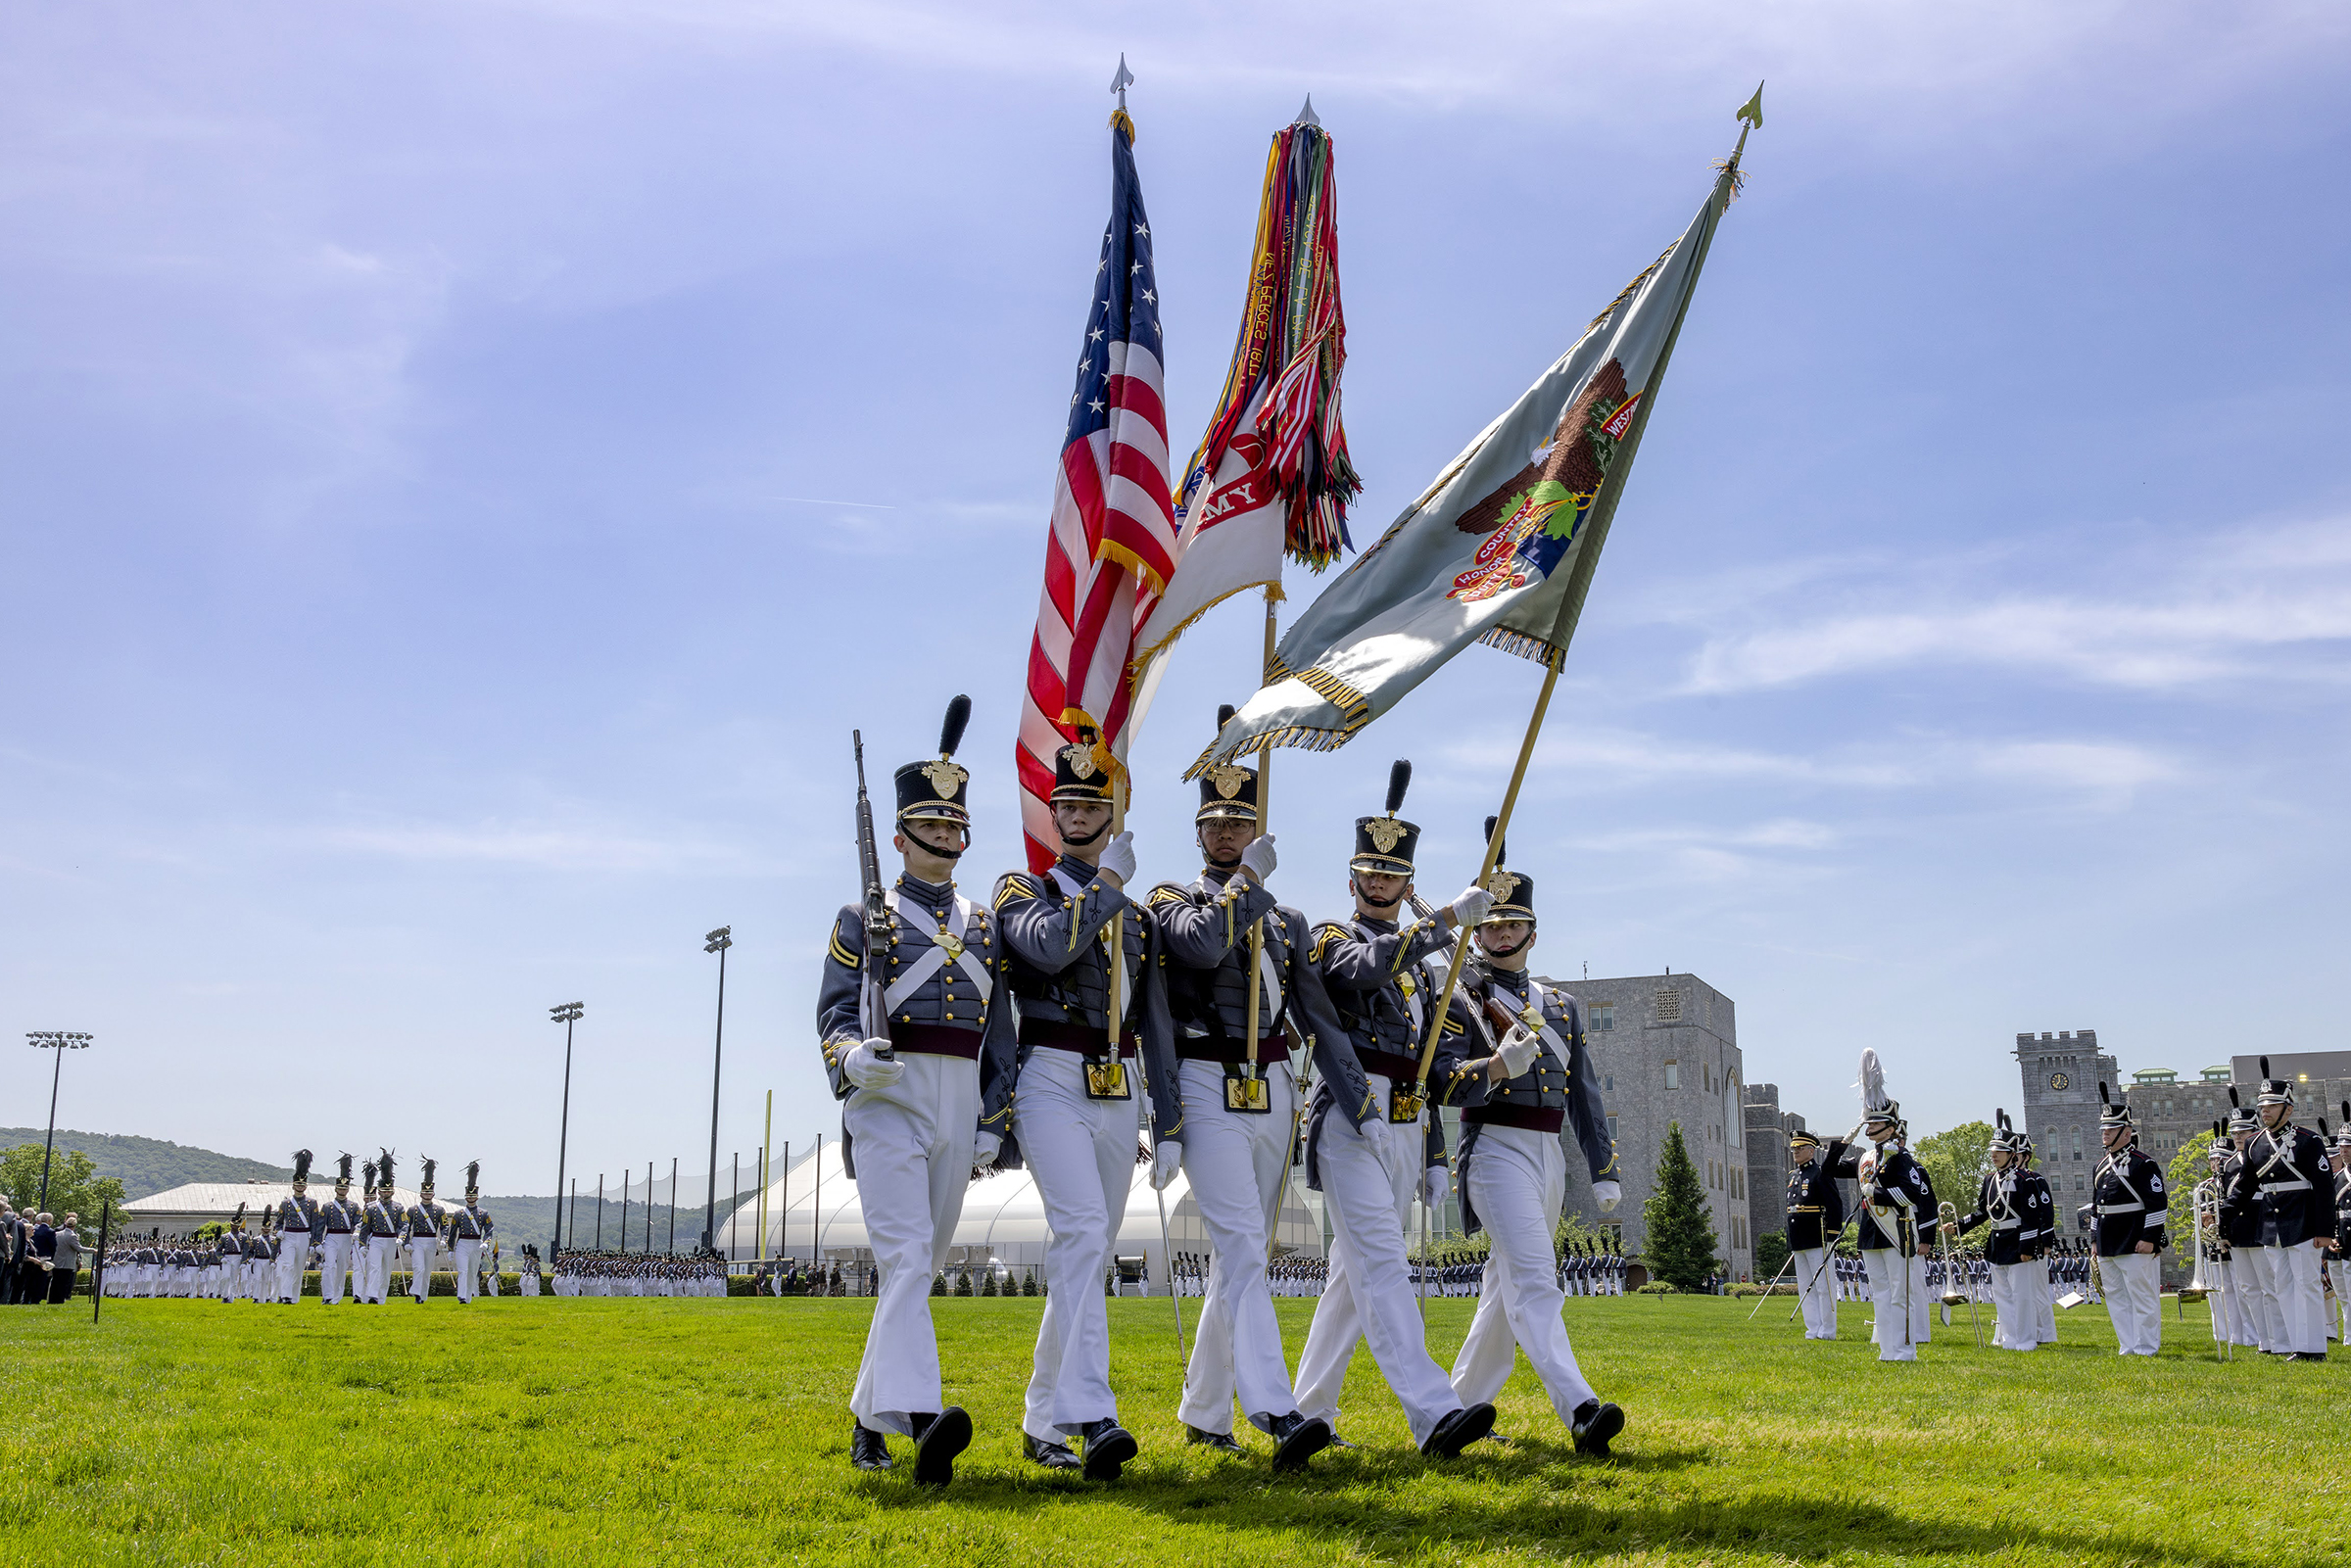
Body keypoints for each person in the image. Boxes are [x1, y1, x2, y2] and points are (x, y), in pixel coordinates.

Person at [817, 696, 1015, 1487]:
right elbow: (834, 1011)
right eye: (927, 826)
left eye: (951, 826)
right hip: (889, 1096)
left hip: (960, 1095)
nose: (942, 837)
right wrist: (848, 1061)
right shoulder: (861, 915)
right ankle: (929, 1419)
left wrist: (995, 1116)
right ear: (898, 835)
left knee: (916, 1269)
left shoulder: (984, 922)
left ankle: (869, 1423)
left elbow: (1001, 1028)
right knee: (904, 1257)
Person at [1145, 708, 1344, 1470]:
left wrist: (1354, 1098)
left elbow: (1314, 1014)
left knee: (1242, 1254)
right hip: (1204, 1080)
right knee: (1238, 1244)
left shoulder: (1287, 919)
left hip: (1274, 1086)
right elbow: (1199, 945)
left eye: (1239, 820)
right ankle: (1274, 1405)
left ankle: (1202, 1407)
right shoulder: (1173, 898)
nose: (1226, 833)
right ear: (1198, 831)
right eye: (1215, 821)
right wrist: (1248, 885)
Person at [1293, 761, 1498, 1458]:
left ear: (1406, 882)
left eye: (1392, 875)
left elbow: (1423, 1063)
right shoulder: (1330, 936)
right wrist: (1441, 921)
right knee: (1382, 1264)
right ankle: (1433, 1410)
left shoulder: (1423, 969)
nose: (1379, 884)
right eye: (1369, 873)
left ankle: (1305, 1408)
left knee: (1351, 1280)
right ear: (1353, 880)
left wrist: (1434, 1150)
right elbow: (1363, 970)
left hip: (1406, 1120)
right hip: (1350, 1116)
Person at [994, 721, 1174, 1482]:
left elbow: (1154, 1020)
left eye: (1088, 805)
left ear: (1113, 813)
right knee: (1080, 1228)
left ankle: (1041, 1419)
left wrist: (1168, 1118)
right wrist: (1105, 887)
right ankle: (1094, 1412)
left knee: (1088, 1249)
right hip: (1048, 1076)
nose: (1075, 815)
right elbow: (1046, 949)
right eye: (1064, 804)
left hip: (1116, 1081)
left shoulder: (1135, 915)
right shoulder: (1023, 890)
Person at [1433, 823, 1624, 1456]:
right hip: (1492, 1148)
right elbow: (1448, 1085)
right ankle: (1579, 1406)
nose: (1500, 935)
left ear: (1533, 931)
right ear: (1477, 930)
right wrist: (1495, 1067)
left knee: (1502, 1287)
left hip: (1548, 1155)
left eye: (1512, 925)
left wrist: (1603, 1167)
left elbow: (1585, 1095)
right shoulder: (1459, 996)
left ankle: (1457, 1410)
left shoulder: (1559, 1006)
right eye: (1490, 925)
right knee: (1538, 1280)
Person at [2228, 1062, 2332, 1360]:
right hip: (2272, 1226)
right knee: (2283, 1287)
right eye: (2262, 1106)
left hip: (2304, 1223)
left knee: (2307, 1286)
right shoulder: (2254, 1144)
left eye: (2272, 1105)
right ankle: (2296, 1346)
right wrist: (2223, 1215)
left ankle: (2314, 1348)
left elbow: (2324, 1188)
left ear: (2288, 1108)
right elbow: (2244, 1189)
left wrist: (2325, 1230)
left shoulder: (2308, 1141)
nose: (2265, 1111)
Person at [1826, 1086, 1931, 1363]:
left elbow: (1911, 1194)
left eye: (1875, 1122)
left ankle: (1905, 1351)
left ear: (1891, 1127)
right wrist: (1843, 1141)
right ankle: (1887, 1350)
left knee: (1900, 1294)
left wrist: (1878, 1193)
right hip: (1871, 1233)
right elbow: (1829, 1169)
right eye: (1868, 1121)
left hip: (1896, 1231)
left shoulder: (1900, 1158)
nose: (1869, 1126)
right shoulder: (1866, 1159)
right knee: (1881, 1295)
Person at [1943, 1113, 2051, 1351]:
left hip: (2018, 1242)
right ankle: (2010, 1340)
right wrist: (1959, 1225)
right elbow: (1983, 1212)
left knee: (2022, 1297)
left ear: (2012, 1154)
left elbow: (2032, 1218)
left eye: (1999, 1151)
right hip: (1997, 1243)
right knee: (2002, 1296)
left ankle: (2026, 1341)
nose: (1993, 1155)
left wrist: (2026, 1248)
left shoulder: (2026, 1180)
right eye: (1992, 1150)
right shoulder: (1990, 1180)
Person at [2081, 1083, 2167, 1356]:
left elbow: (2158, 1204)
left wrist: (2149, 1238)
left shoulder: (2144, 1164)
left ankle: (2146, 1346)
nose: (2105, 1133)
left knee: (2142, 1297)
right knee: (2116, 1297)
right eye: (2103, 1129)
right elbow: (2097, 1207)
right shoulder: (2099, 1165)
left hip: (2133, 1239)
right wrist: (2094, 1240)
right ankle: (2127, 1345)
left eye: (2110, 1129)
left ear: (2126, 1132)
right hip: (2107, 1241)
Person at [1784, 1130, 1845, 1341]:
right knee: (1805, 1288)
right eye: (1793, 1148)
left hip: (1818, 1238)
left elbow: (1835, 1205)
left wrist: (1832, 1235)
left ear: (1811, 1151)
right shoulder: (1794, 1176)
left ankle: (1827, 1330)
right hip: (1799, 1238)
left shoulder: (1820, 1174)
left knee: (1823, 1287)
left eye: (1799, 1148)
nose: (1795, 1152)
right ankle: (1812, 1329)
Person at [273, 1150, 320, 1306]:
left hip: (304, 1236)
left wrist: (314, 1243)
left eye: (302, 1184)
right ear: (293, 1185)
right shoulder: (285, 1203)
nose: (300, 1186)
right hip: (289, 1236)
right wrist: (278, 1231)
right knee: (287, 1265)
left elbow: (315, 1225)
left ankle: (294, 1297)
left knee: (298, 1267)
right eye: (297, 1184)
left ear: (305, 1185)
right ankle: (285, 1295)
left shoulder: (312, 1203)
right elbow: (279, 1222)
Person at [317, 1154, 360, 1306]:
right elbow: (320, 1225)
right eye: (340, 1187)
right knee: (329, 1265)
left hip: (346, 1238)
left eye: (345, 1187)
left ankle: (337, 1297)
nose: (342, 1190)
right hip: (331, 1237)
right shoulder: (327, 1206)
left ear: (348, 1189)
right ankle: (327, 1295)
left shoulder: (354, 1206)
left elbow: (357, 1222)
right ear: (336, 1188)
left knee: (342, 1267)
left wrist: (356, 1232)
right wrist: (317, 1242)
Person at [446, 1164, 492, 1306]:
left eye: (473, 1195)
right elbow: (452, 1233)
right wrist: (450, 1248)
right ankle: (462, 1296)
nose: (471, 1198)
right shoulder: (459, 1214)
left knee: (472, 1272)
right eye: (468, 1195)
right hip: (463, 1244)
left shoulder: (483, 1213)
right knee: (463, 1271)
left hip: (476, 1244)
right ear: (466, 1197)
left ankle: (468, 1296)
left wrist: (486, 1242)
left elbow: (489, 1230)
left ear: (476, 1197)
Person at [361, 1154, 403, 1307]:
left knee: (386, 1271)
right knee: (374, 1267)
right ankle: (372, 1295)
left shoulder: (399, 1208)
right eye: (383, 1191)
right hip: (376, 1240)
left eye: (388, 1191)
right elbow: (365, 1228)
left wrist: (401, 1237)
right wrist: (362, 1244)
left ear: (392, 1191)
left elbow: (403, 1225)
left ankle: (381, 1298)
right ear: (379, 1191)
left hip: (391, 1240)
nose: (385, 1193)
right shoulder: (371, 1208)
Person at [407, 1159, 447, 1304]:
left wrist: (443, 1239)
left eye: (430, 1192)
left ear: (433, 1194)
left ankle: (422, 1297)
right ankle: (416, 1292)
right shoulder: (412, 1210)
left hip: (431, 1241)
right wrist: (406, 1242)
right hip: (417, 1240)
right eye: (425, 1192)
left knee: (427, 1271)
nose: (427, 1194)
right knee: (419, 1268)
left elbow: (444, 1226)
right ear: (421, 1193)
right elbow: (406, 1227)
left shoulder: (439, 1210)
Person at [45, 1213, 81, 1305]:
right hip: (67, 1262)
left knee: (55, 1282)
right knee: (64, 1282)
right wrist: (93, 1250)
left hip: (57, 1261)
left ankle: (52, 1299)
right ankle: (60, 1299)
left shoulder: (57, 1233)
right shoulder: (72, 1236)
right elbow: (79, 1248)